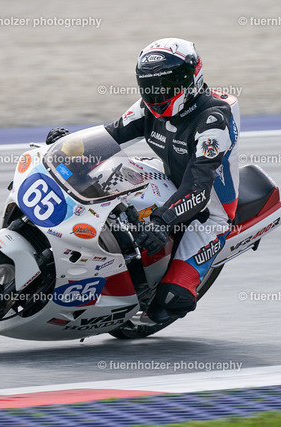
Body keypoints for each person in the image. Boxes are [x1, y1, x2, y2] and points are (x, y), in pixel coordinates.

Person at [46, 38, 240, 323]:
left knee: (171, 300)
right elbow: (111, 135)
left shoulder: (212, 121)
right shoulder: (148, 107)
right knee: (95, 184)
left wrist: (161, 222)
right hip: (166, 177)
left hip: (209, 210)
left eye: (166, 84)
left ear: (191, 79)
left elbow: (199, 189)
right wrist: (70, 146)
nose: (157, 94)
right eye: (149, 86)